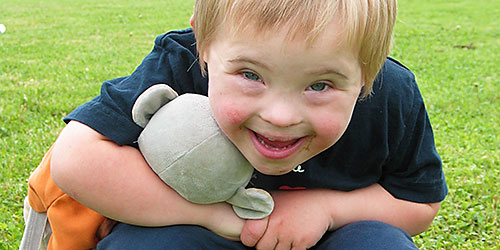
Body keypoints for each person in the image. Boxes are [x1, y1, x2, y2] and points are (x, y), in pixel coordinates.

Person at [39, 0, 447, 249]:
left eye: (320, 85)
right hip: (194, 227)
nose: (281, 116)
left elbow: (418, 202)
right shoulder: (180, 63)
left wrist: (325, 209)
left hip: (331, 237)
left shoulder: (392, 94)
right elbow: (76, 158)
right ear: (205, 45)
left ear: (368, 70)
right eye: (250, 76)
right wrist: (217, 216)